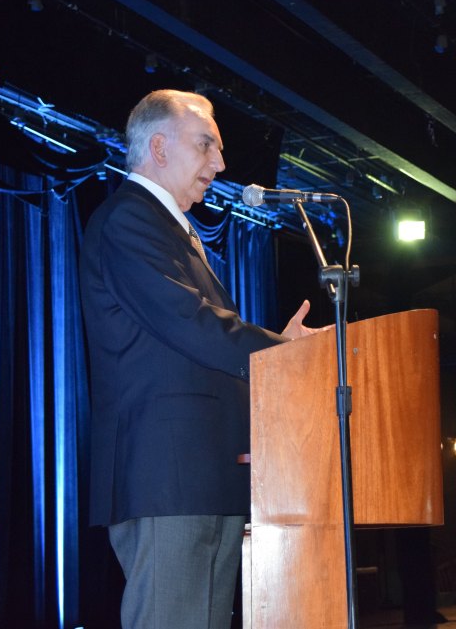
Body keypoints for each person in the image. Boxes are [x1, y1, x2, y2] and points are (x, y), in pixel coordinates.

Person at [80, 89, 320, 629]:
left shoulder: (171, 230)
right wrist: (283, 354)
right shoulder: (129, 219)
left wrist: (280, 352)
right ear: (159, 148)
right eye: (206, 145)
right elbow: (191, 322)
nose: (220, 163)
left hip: (201, 474)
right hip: (168, 478)